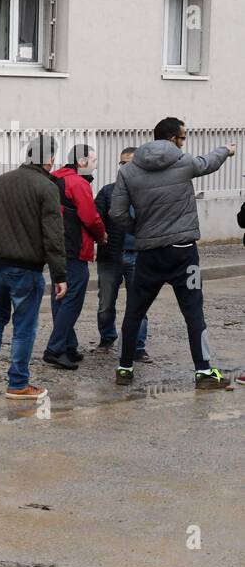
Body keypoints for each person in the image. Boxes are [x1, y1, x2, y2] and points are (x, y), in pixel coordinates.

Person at [108, 117, 236, 389]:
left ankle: (124, 368)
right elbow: (209, 162)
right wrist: (226, 149)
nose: (183, 143)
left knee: (134, 311)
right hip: (184, 253)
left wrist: (140, 229)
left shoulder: (128, 171)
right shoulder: (184, 162)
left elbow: (116, 213)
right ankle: (204, 372)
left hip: (148, 255)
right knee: (193, 311)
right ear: (172, 139)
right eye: (183, 138)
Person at [0, 135, 68, 401]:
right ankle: (18, 383)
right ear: (50, 159)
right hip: (26, 269)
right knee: (24, 326)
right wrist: (60, 274)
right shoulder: (47, 187)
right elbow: (54, 235)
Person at [44, 144, 107, 369]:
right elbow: (90, 217)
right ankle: (55, 349)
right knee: (72, 299)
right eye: (94, 161)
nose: (95, 166)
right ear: (81, 162)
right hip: (74, 248)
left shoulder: (54, 178)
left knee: (60, 297)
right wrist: (102, 235)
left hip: (55, 247)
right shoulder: (78, 183)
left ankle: (68, 346)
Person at [93, 147, 149, 360]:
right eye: (122, 163)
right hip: (110, 256)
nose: (125, 167)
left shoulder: (149, 192)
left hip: (140, 256)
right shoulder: (107, 192)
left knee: (140, 304)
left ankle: (138, 347)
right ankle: (107, 338)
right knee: (105, 303)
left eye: (129, 163)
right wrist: (100, 236)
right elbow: (95, 219)